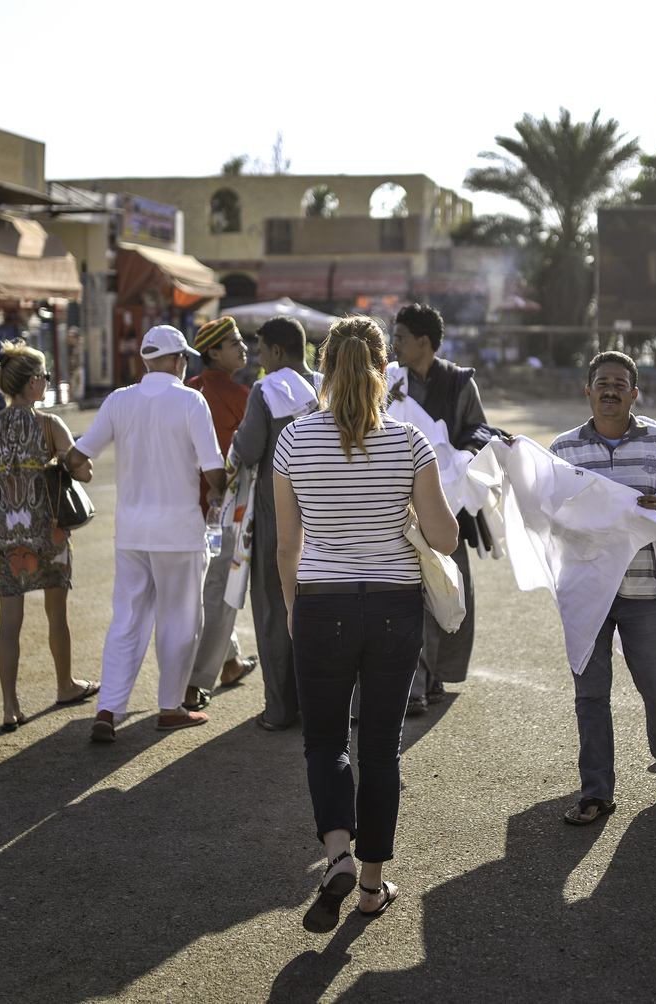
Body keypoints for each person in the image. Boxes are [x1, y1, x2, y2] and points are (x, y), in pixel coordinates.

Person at [275, 315, 458, 933]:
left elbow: (285, 544)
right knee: (380, 746)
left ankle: (337, 856)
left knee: (325, 741)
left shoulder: (294, 441)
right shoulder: (410, 442)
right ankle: (373, 886)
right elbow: (444, 538)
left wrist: (294, 606)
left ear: (323, 371)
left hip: (322, 598)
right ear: (386, 372)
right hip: (393, 602)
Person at [551, 351, 656, 823]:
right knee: (590, 695)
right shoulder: (563, 451)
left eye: (619, 383)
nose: (610, 390)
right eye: (601, 382)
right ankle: (596, 792)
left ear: (635, 393)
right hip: (586, 591)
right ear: (586, 390)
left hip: (643, 589)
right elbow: (547, 514)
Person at [65, 325, 225, 741]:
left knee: (127, 619)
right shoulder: (192, 401)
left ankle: (108, 709)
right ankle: (170, 707)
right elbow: (213, 471)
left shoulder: (119, 400)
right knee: (180, 620)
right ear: (176, 361)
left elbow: (77, 455)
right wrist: (222, 497)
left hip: (132, 532)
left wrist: (84, 470)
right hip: (180, 532)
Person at [0, 341, 100, 732]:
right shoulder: (49, 424)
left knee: (9, 620)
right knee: (56, 614)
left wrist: (3, 515)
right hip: (49, 531)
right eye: (44, 377)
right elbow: (84, 472)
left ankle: (10, 706)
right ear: (32, 384)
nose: (47, 382)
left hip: (4, 533)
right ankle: (64, 684)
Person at [389, 303, 487, 715]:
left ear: (423, 343)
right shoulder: (392, 380)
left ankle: (439, 674)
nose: (394, 344)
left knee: (449, 585)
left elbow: (480, 429)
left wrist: (459, 457)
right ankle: (414, 680)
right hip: (400, 498)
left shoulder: (460, 382)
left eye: (400, 337)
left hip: (450, 502)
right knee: (408, 590)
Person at [231, 317, 322, 731]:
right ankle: (323, 705)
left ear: (280, 352)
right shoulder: (325, 384)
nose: (259, 361)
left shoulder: (265, 391)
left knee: (274, 610)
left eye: (262, 352)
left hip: (277, 516)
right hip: (326, 516)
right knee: (323, 611)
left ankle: (281, 709)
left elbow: (249, 450)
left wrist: (233, 442)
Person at [184, 315, 259, 712]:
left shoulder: (189, 390)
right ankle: (196, 683)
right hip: (227, 512)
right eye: (233, 342)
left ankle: (229, 662)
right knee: (221, 595)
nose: (243, 346)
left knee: (210, 591)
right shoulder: (239, 394)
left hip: (189, 510)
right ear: (213, 352)